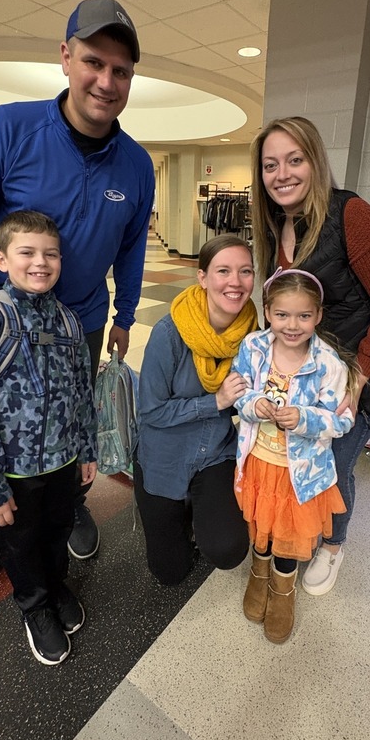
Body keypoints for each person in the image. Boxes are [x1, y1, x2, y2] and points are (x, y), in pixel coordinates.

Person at [0, 0, 154, 616]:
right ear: (65, 57)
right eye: (93, 62)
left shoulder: (136, 166)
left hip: (79, 323)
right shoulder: (7, 128)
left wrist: (125, 317)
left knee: (69, 423)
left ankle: (66, 509)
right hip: (0, 328)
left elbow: (132, 249)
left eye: (122, 71)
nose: (106, 82)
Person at [250, 116, 370, 597]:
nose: (282, 174)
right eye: (270, 164)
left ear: (315, 161)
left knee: (335, 459)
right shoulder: (275, 225)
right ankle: (308, 528)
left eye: (294, 159)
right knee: (304, 450)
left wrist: (358, 377)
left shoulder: (351, 214)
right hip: (320, 371)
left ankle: (333, 546)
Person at [0, 211, 97, 665]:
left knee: (57, 532)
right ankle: (35, 608)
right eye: (26, 252)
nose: (40, 263)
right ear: (1, 258)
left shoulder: (68, 322)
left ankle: (56, 586)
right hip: (11, 472)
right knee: (21, 544)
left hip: (62, 462)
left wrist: (86, 449)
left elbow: (83, 393)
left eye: (50, 254)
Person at [232, 269, 356, 644]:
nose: (292, 325)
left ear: (318, 316)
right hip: (258, 463)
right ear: (267, 311)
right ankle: (258, 572)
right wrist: (255, 404)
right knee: (260, 526)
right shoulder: (253, 348)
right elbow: (238, 393)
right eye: (283, 314)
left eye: (304, 315)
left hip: (299, 473)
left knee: (287, 535)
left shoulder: (329, 363)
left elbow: (343, 420)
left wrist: (304, 418)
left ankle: (283, 589)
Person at [134, 234, 258, 586]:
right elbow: (151, 412)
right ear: (202, 277)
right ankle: (179, 511)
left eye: (245, 271)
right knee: (169, 572)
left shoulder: (253, 335)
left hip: (214, 453)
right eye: (223, 271)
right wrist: (216, 402)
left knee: (228, 549)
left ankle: (199, 509)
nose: (235, 282)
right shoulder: (170, 334)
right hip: (164, 456)